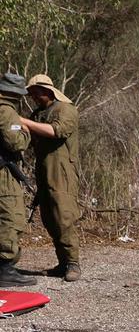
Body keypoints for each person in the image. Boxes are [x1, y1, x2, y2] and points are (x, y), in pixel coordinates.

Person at [21, 74, 82, 281]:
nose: (33, 97)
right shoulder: (37, 113)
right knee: (49, 218)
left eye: (35, 92)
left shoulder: (66, 109)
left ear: (47, 90)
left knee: (63, 217)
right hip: (43, 170)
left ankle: (73, 263)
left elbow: (57, 131)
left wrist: (24, 122)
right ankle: (63, 263)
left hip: (62, 171)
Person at [0, 72, 34, 287]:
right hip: (3, 174)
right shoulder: (6, 111)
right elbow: (16, 143)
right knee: (10, 217)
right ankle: (5, 269)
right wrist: (27, 133)